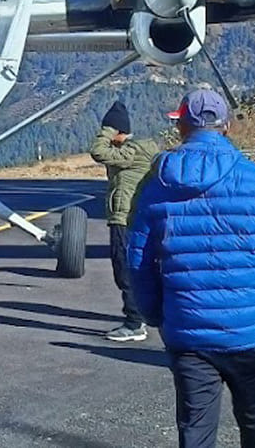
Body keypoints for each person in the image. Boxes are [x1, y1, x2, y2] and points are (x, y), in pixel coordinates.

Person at [128, 89, 255, 448]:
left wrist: (155, 314)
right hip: (252, 331)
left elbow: (138, 260)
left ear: (181, 127)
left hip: (188, 334)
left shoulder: (156, 186)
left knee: (196, 431)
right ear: (227, 126)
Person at [89, 99, 160, 342]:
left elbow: (98, 152)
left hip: (125, 218)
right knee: (134, 268)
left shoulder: (132, 151)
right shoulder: (134, 151)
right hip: (133, 217)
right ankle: (143, 315)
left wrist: (107, 130)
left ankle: (134, 323)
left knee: (125, 269)